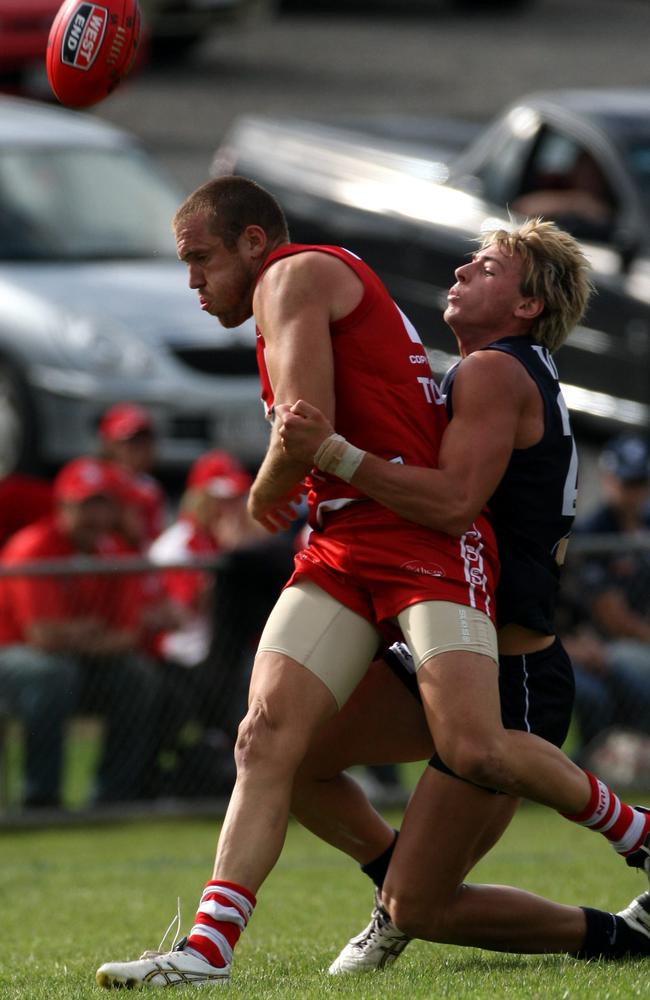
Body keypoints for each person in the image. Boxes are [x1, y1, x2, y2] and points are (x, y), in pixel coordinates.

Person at [95, 184, 650, 989]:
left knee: (466, 759)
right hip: (359, 546)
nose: (460, 270)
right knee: (273, 744)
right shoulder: (468, 368)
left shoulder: (485, 366)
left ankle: (633, 838)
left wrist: (296, 477)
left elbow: (426, 488)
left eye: (199, 259)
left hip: (505, 650)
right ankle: (213, 947)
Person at [275, 220, 650, 970]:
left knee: (427, 907)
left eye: (485, 267)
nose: (460, 270)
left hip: (507, 668)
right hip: (450, 648)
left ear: (527, 306)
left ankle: (624, 928)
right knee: (289, 759)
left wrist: (336, 456)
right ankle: (399, 887)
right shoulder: (499, 369)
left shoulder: (493, 373)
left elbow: (448, 505)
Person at [0, 457, 162, 808]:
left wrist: (75, 635)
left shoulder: (114, 550)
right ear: (62, 506)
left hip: (77, 662)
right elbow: (41, 637)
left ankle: (113, 797)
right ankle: (40, 799)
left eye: (103, 506)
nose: (96, 517)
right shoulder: (34, 548)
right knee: (50, 673)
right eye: (86, 505)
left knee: (137, 676)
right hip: (11, 657)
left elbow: (127, 635)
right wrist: (88, 633)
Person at [98, 401, 167, 545]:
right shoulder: (95, 482)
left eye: (145, 440)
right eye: (132, 441)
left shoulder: (150, 486)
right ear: (109, 444)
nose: (141, 449)